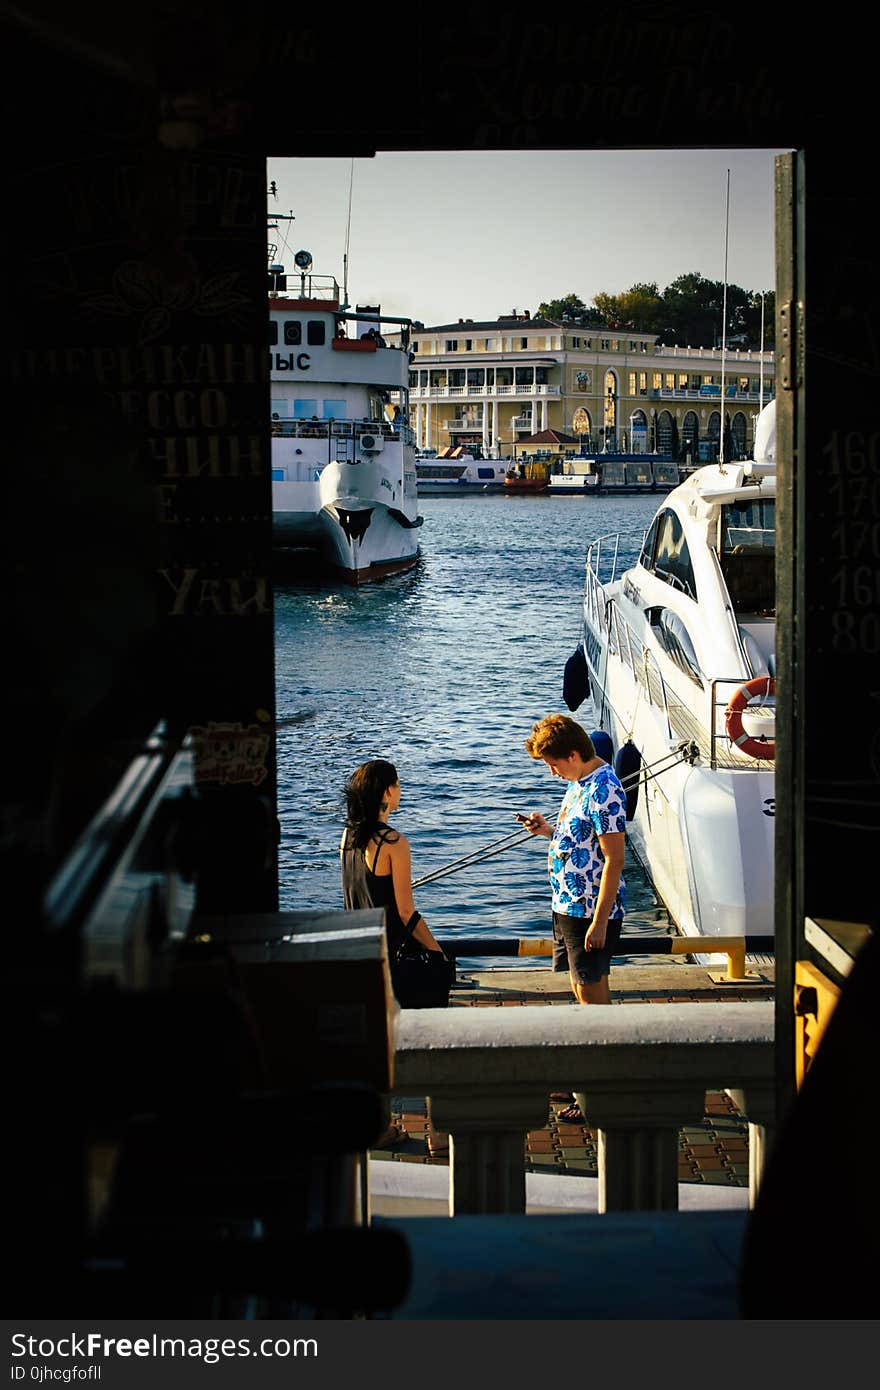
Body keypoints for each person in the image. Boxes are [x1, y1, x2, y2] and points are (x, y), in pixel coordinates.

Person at [520, 714, 627, 1123]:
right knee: (580, 990)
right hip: (567, 904)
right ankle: (586, 1073)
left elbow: (614, 859)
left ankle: (599, 1089)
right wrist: (547, 831)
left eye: (554, 763)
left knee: (593, 996)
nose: (551, 771)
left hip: (588, 911)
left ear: (575, 753)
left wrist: (600, 922)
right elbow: (577, 840)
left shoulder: (604, 790)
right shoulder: (579, 783)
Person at [340, 759, 449, 1149]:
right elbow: (405, 911)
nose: (400, 790)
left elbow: (351, 897)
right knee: (430, 1038)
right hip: (398, 957)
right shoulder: (393, 843)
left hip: (362, 951)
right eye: (398, 785)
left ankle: (381, 1126)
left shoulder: (348, 838)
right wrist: (436, 951)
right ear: (387, 792)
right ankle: (437, 1134)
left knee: (378, 1045)